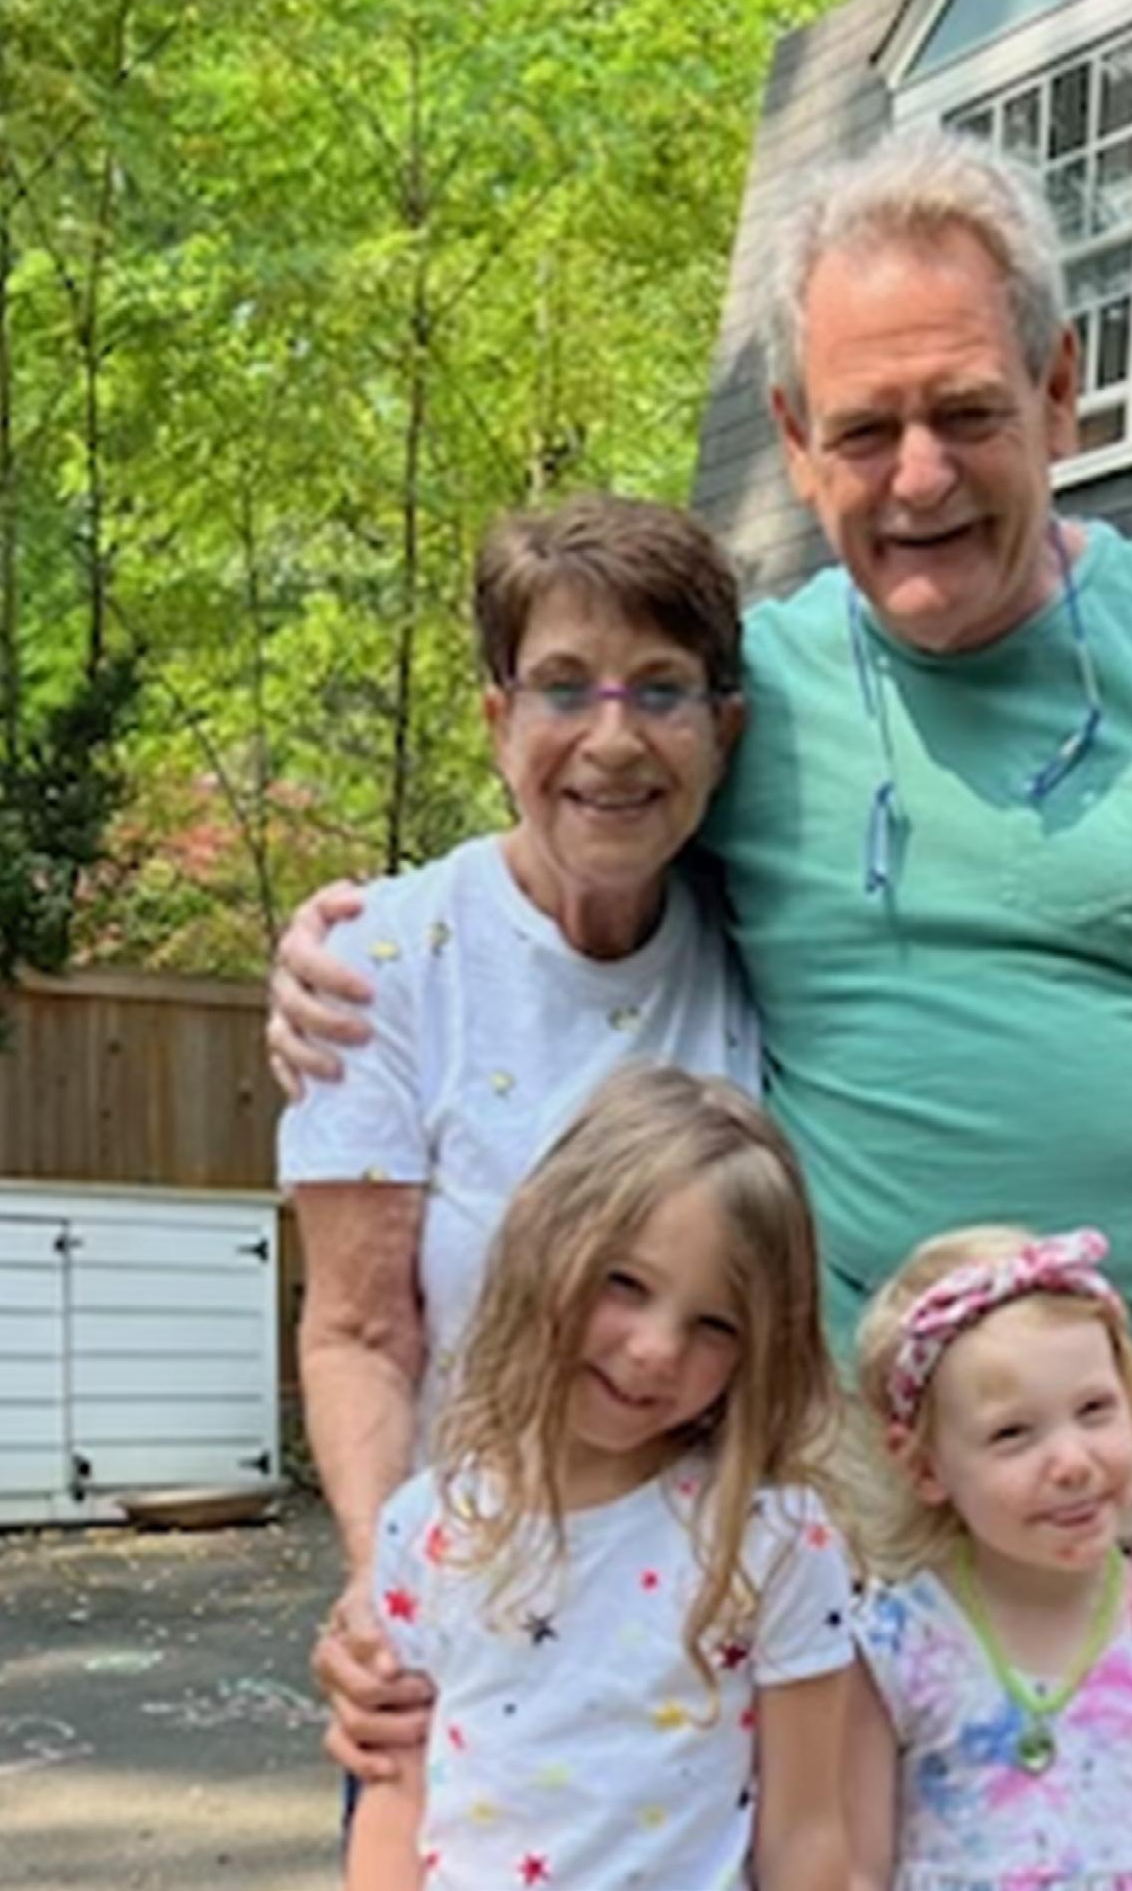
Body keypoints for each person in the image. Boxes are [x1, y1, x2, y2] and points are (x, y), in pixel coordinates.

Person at [272, 129, 1132, 1888]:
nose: (918, 475)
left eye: (967, 412)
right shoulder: (757, 691)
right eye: (865, 429)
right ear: (795, 441)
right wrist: (355, 941)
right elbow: (577, 798)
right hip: (824, 1465)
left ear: (1061, 388)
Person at [279, 494, 757, 1782]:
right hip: (477, 1632)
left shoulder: (766, 938)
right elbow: (359, 1331)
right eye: (562, 687)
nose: (612, 738)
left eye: (660, 690)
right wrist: (385, 1586)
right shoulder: (382, 963)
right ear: (497, 720)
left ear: (722, 729)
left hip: (703, 1650)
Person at [342, 1064, 852, 1891]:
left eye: (715, 1324)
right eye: (625, 1283)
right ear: (543, 1244)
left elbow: (807, 1831)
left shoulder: (775, 1542)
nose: (656, 1349)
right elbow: (395, 1801)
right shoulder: (426, 1525)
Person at [844, 1226, 1132, 1891]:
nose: (1072, 1463)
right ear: (925, 1466)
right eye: (1012, 1434)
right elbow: (856, 1869)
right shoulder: (893, 1645)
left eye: (1094, 1410)